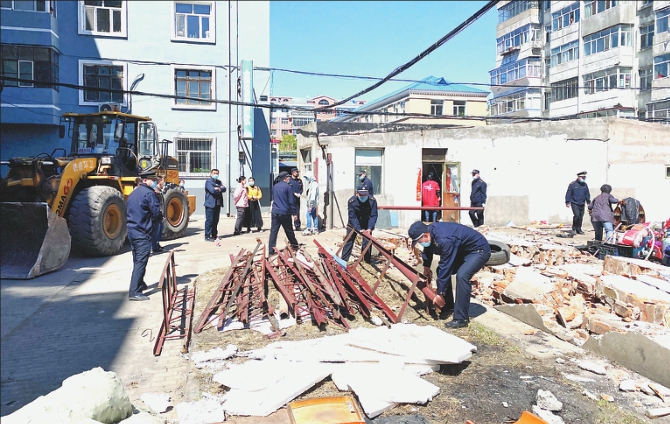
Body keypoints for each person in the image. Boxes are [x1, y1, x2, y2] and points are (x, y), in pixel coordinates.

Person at [408, 221, 491, 328]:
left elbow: (446, 266)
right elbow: (428, 249)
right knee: (440, 271)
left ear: (425, 235)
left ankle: (461, 319)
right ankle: (448, 307)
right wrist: (426, 266)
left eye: (419, 241)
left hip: (478, 250)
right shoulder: (431, 232)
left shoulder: (445, 239)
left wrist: (440, 293)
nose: (420, 244)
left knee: (462, 276)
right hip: (462, 250)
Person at [126, 170, 164, 301]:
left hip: (132, 230)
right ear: (146, 180)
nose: (155, 183)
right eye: (153, 180)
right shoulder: (149, 193)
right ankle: (134, 292)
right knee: (141, 262)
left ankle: (140, 283)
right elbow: (156, 212)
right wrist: (161, 219)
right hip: (143, 232)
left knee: (137, 259)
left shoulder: (133, 193)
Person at [341, 187, 378, 264]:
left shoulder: (372, 201)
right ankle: (343, 261)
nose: (363, 197)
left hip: (366, 223)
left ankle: (366, 261)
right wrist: (358, 229)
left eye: (365, 195)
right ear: (357, 194)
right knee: (349, 240)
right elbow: (352, 217)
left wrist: (369, 228)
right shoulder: (352, 201)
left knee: (367, 241)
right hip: (353, 223)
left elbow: (373, 215)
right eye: (361, 195)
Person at [268, 171, 300, 255]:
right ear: (285, 178)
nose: (289, 178)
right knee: (289, 231)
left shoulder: (275, 186)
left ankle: (271, 251)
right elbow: (291, 201)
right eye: (288, 177)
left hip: (275, 212)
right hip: (285, 212)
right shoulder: (288, 187)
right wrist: (294, 213)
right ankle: (295, 245)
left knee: (273, 232)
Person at [204, 168, 226, 241]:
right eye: (214, 173)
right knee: (209, 220)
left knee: (215, 221)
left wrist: (218, 188)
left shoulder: (219, 182)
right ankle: (207, 236)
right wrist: (219, 189)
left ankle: (214, 235)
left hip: (218, 204)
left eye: (217, 173)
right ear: (211, 174)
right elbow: (212, 191)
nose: (216, 175)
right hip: (210, 204)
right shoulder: (208, 182)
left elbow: (224, 189)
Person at [151, 176, 165, 253]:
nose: (164, 183)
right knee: (156, 231)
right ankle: (155, 247)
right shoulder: (155, 191)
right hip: (157, 215)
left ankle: (157, 244)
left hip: (161, 214)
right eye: (163, 181)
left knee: (160, 230)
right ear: (159, 182)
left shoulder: (160, 191)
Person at [302, 171, 320, 235]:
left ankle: (309, 228)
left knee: (308, 215)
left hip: (311, 204)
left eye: (307, 177)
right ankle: (315, 229)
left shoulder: (314, 184)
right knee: (314, 215)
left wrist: (311, 203)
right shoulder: (312, 184)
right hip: (313, 203)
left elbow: (313, 195)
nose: (307, 179)